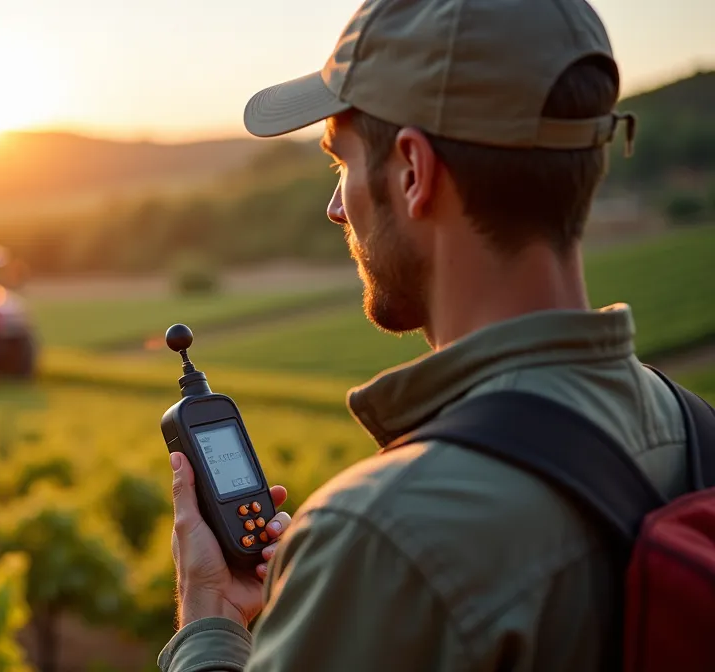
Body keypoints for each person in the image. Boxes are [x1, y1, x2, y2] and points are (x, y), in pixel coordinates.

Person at [159, 0, 698, 670]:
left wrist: (210, 620)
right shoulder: (695, 430)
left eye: (341, 164)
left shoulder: (384, 541)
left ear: (413, 171)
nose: (336, 208)